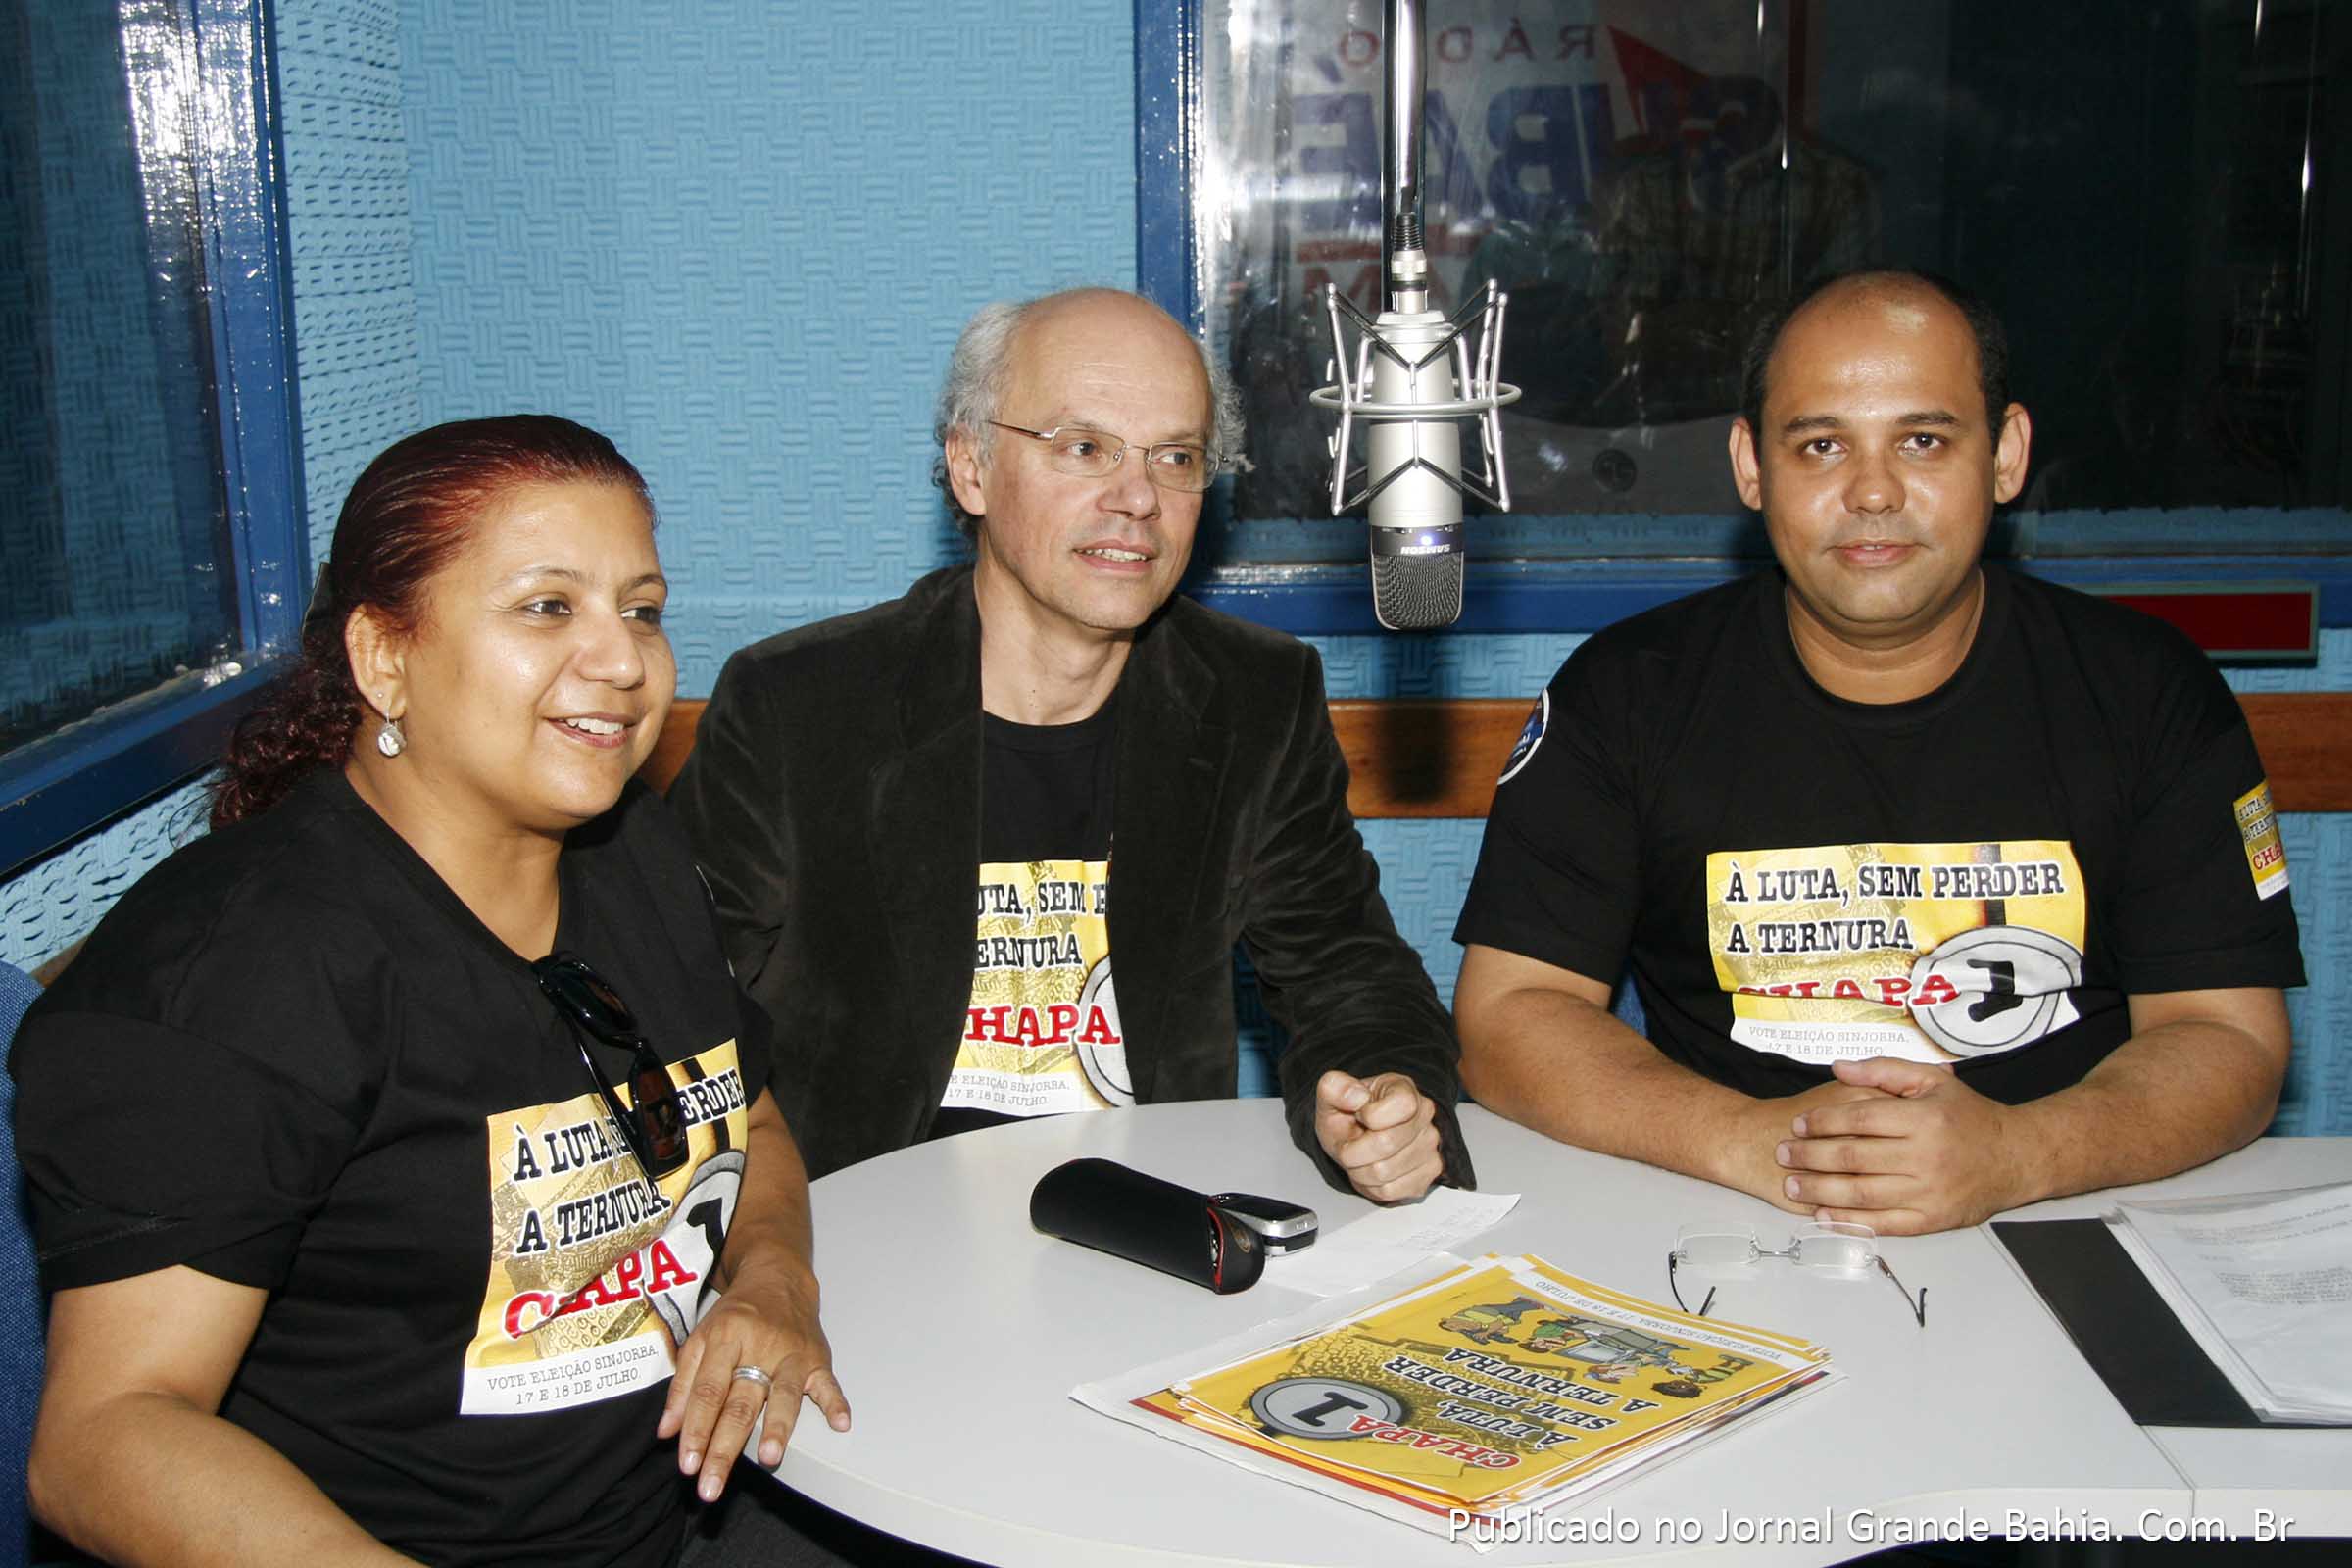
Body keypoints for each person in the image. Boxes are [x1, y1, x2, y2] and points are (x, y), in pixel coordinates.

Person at [12, 416, 848, 1566]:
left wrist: (772, 1280)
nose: (625, 661)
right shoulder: (240, 969)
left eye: (642, 610)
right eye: (548, 607)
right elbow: (103, 1439)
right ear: (384, 657)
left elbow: (748, 1122)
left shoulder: (633, 854)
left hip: (685, 1517)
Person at [1452, 270, 2303, 1236]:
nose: (1872, 490)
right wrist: (1754, 1141)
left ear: (2008, 453)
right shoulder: (1626, 692)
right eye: (1820, 445)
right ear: (1750, 466)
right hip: (1723, 1216)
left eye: (1924, 440)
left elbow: (2227, 1034)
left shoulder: (2150, 692)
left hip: (2072, 1209)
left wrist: (2022, 1153)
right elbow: (1510, 1013)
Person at [670, 287, 1473, 1201]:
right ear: (970, 467)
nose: (1137, 498)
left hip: (1147, 1230)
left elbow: (1346, 967)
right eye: (1084, 447)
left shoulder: (1255, 697)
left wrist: (1385, 1097)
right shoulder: (799, 708)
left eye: (1176, 457)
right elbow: (674, 1018)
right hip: (870, 1234)